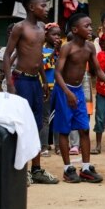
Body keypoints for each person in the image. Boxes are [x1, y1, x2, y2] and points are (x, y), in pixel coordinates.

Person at [3, 0, 58, 185]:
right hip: (22, 81)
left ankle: (36, 169)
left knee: (37, 125)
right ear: (31, 8)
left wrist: (44, 81)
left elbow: (38, 59)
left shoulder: (42, 28)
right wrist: (10, 84)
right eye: (42, 5)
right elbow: (7, 56)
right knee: (22, 125)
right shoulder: (20, 28)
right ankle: (22, 170)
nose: (46, 9)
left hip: (36, 82)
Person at [52, 13, 105, 183]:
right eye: (86, 26)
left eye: (90, 25)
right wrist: (68, 93)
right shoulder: (67, 48)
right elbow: (57, 73)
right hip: (65, 90)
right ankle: (67, 169)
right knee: (64, 130)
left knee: (84, 129)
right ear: (75, 29)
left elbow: (98, 69)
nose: (90, 28)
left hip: (78, 90)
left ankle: (86, 168)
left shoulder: (90, 47)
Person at [40, 22, 62, 157]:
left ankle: (59, 145)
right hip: (46, 88)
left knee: (58, 116)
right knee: (45, 117)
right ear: (46, 35)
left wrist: (58, 52)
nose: (57, 37)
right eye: (54, 34)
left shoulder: (62, 51)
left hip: (58, 87)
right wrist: (55, 52)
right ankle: (44, 146)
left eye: (59, 35)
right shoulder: (40, 50)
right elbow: (44, 66)